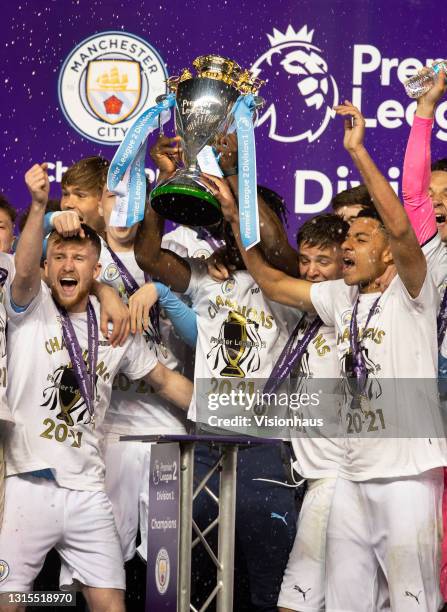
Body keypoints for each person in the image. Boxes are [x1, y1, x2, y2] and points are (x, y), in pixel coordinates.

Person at [208, 101, 446, 610]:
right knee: (342, 603)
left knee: (412, 603)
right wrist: (235, 222)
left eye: (360, 239)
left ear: (387, 251)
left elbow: (403, 229)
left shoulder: (412, 290)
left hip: (404, 474)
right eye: (346, 242)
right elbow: (271, 281)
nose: (346, 250)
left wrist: (357, 151)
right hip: (351, 475)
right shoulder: (341, 298)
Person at [0, 163, 193, 612]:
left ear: (96, 269)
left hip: (89, 491)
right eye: (60, 259)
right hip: (30, 484)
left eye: (79, 259)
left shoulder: (114, 326)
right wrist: (39, 208)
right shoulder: (30, 309)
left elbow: (164, 380)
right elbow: (25, 270)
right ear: (48, 268)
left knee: (109, 604)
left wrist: (231, 412)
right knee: (12, 601)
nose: (68, 266)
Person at [134, 196, 299, 612]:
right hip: (205, 446)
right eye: (233, 220)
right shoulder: (208, 277)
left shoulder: (295, 283)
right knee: (191, 585)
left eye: (251, 218)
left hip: (265, 451)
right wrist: (162, 190)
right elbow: (148, 255)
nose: (240, 227)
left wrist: (235, 185)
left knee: (268, 586)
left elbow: (275, 245)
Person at [275, 213, 347, 612]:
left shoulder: (346, 312)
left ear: (344, 261)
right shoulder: (305, 316)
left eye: (324, 261)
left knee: (294, 602)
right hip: (317, 479)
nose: (312, 271)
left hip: (336, 480)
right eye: (306, 261)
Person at [60, 156, 109, 234]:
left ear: (105, 201)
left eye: (80, 195)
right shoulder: (49, 240)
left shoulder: (129, 241)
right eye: (65, 194)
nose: (68, 204)